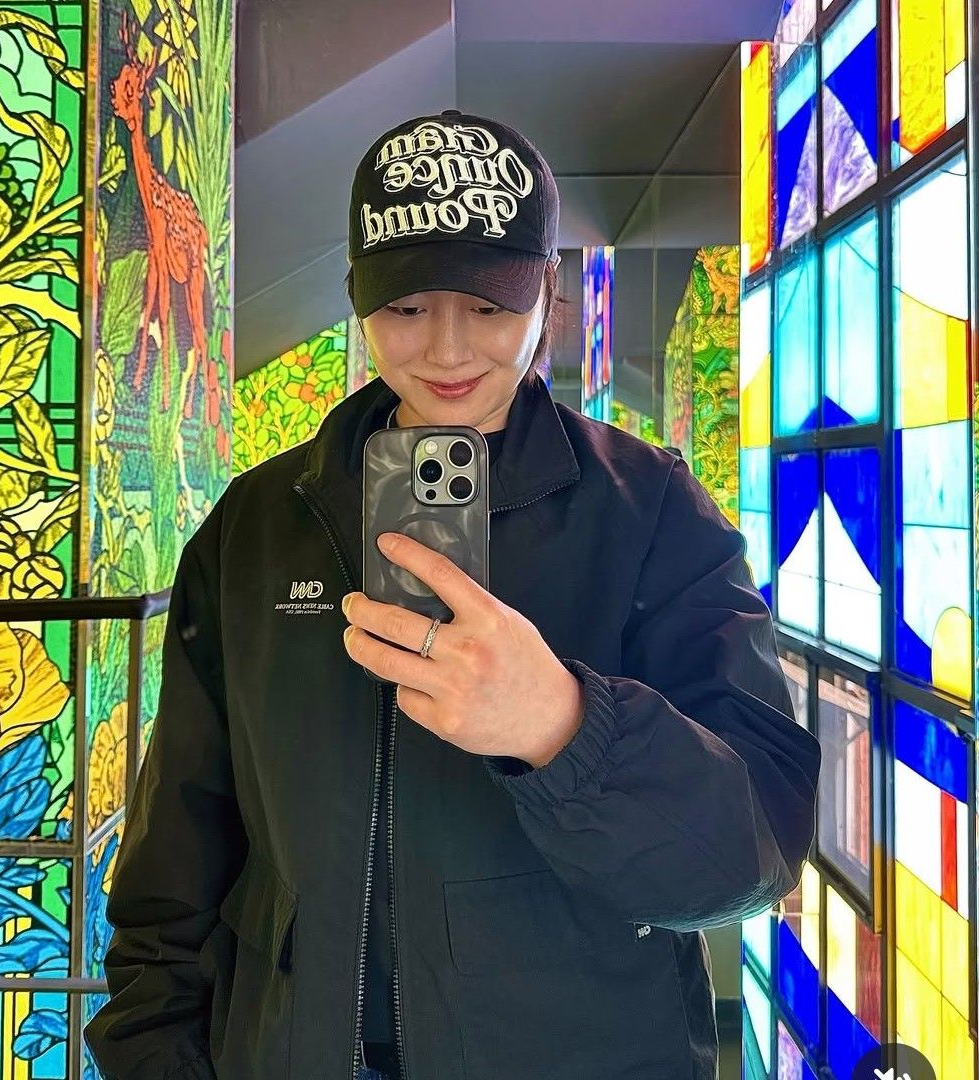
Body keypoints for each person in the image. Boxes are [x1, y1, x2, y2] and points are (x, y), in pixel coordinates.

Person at [83, 109, 821, 1080]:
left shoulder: (651, 513)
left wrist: (562, 726)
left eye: (487, 306)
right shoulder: (257, 523)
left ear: (548, 293)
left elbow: (750, 855)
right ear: (357, 299)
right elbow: (177, 852)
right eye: (405, 307)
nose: (445, 349)